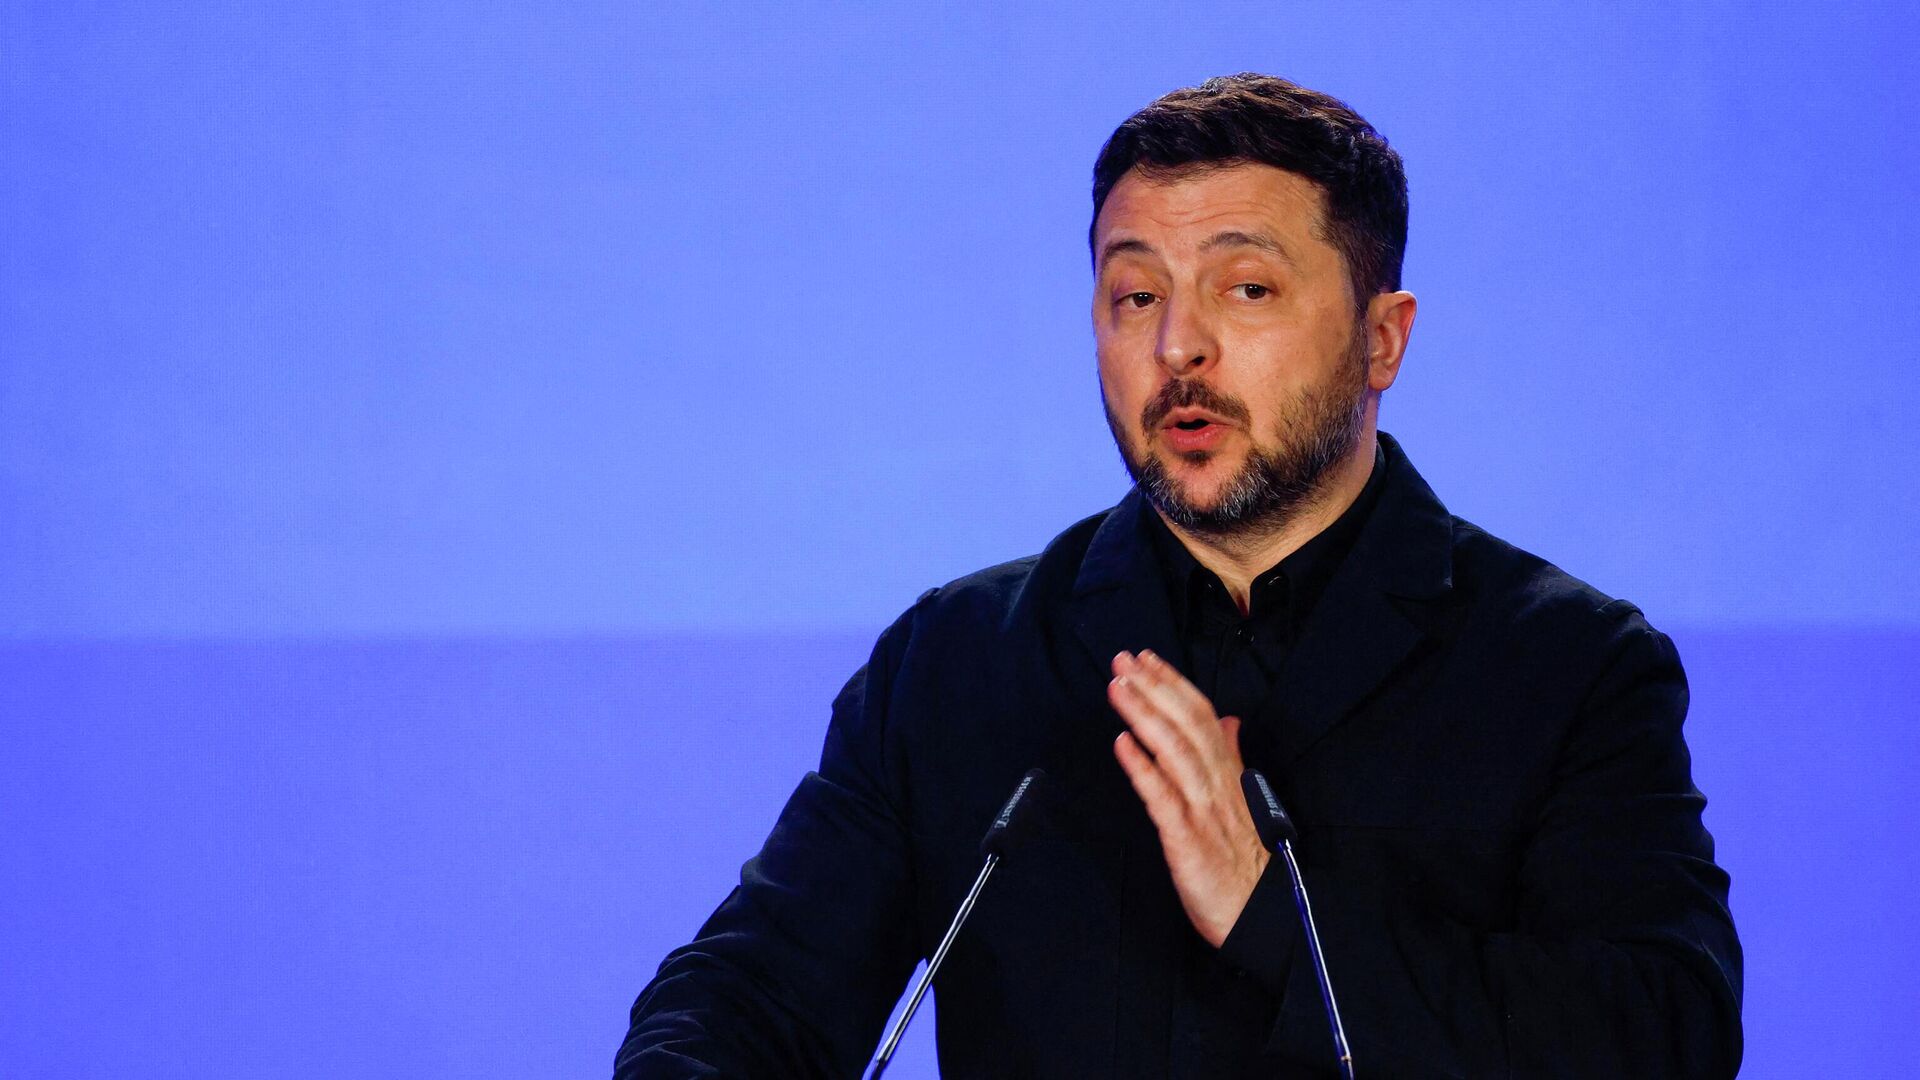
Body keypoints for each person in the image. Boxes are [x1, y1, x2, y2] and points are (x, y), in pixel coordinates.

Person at [614, 73, 1742, 1078]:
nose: (1178, 349)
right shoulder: (959, 662)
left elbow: (1661, 1033)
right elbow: (752, 995)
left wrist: (1268, 914)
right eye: (1137, 297)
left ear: (1382, 339)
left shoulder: (1566, 668)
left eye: (1245, 289)